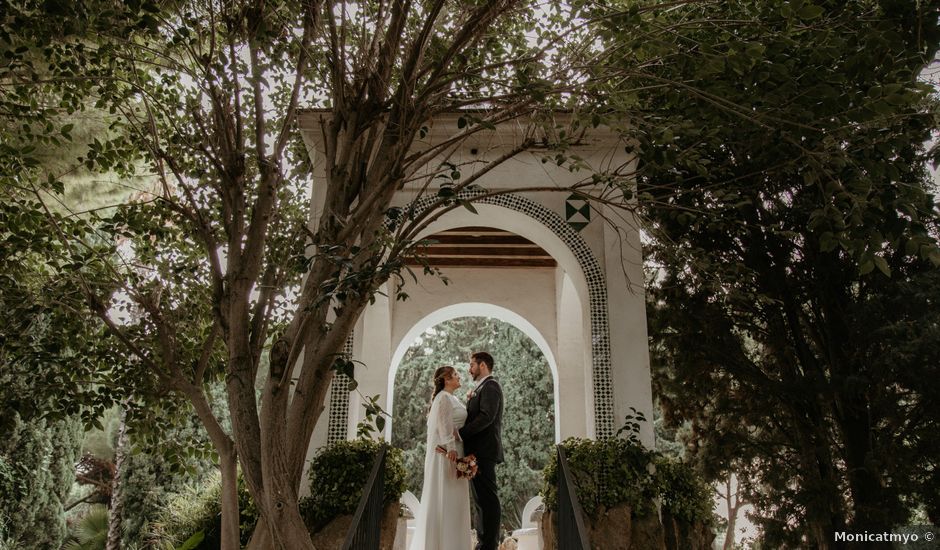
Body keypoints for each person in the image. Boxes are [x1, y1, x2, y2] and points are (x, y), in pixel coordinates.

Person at [409, 366, 472, 550]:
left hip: (456, 451)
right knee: (447, 496)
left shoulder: (452, 398)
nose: (459, 376)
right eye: (455, 375)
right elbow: (444, 425)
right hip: (448, 454)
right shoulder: (443, 397)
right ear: (446, 379)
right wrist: (451, 448)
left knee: (455, 499)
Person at [458, 351, 504, 550]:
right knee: (480, 501)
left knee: (487, 500)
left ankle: (488, 545)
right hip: (477, 452)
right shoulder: (482, 387)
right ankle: (483, 543)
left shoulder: (491, 386)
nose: (469, 369)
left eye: (472, 365)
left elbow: (487, 417)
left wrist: (462, 433)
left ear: (483, 365)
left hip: (484, 451)